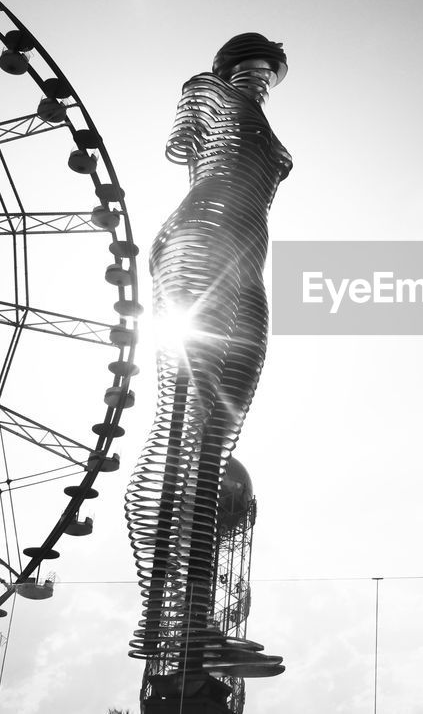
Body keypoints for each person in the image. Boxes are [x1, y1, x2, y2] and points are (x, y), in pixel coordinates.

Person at [126, 33, 289, 680]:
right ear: (228, 68)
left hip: (241, 263)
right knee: (183, 440)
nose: (261, 81)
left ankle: (182, 619)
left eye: (269, 74)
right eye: (253, 69)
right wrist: (172, 255)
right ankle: (180, 622)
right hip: (206, 248)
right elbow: (186, 138)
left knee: (209, 442)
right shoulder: (211, 98)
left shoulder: (244, 118)